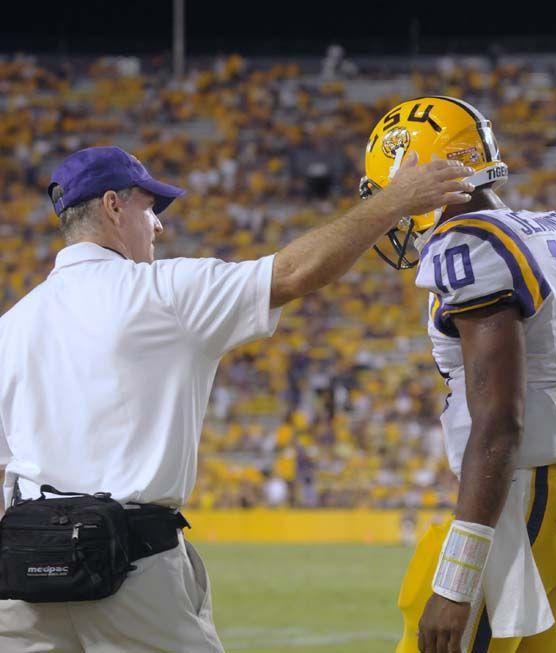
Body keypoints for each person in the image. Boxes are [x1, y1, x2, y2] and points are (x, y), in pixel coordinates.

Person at [0, 145, 474, 653]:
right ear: (113, 205)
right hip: (133, 573)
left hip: (24, 577)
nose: (158, 226)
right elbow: (294, 273)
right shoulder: (162, 293)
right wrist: (396, 202)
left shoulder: (12, 326)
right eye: (149, 209)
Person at [360, 97, 556, 653]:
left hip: (521, 505)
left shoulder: (466, 245)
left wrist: (460, 574)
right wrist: (552, 458)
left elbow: (499, 423)